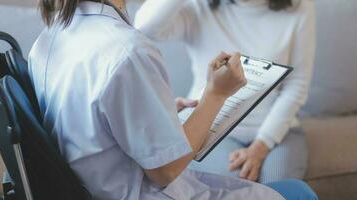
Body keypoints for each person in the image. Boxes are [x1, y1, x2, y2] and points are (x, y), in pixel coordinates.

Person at [28, 0, 317, 199]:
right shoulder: (128, 50)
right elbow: (165, 171)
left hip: (104, 185)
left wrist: (159, 113)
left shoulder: (49, 38)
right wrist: (216, 94)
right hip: (147, 189)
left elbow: (96, 125)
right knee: (299, 194)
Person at [134, 0, 315, 184]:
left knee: (281, 187)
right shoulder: (198, 6)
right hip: (211, 128)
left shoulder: (300, 7)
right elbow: (144, 28)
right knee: (233, 187)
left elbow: (297, 85)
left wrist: (262, 145)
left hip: (276, 130)